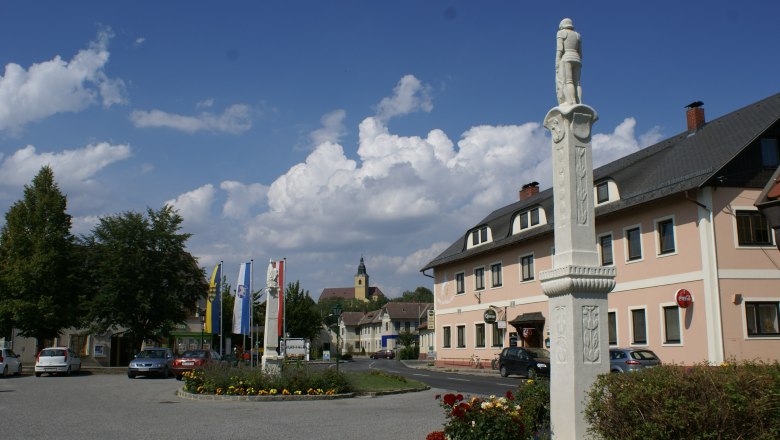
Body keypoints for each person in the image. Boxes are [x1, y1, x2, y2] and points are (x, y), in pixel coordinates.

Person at [555, 18, 582, 106]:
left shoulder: (561, 33)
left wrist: (557, 62)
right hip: (577, 59)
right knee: (577, 83)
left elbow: (559, 50)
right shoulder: (578, 35)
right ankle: (580, 102)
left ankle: (572, 102)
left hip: (566, 58)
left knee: (569, 81)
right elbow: (580, 52)